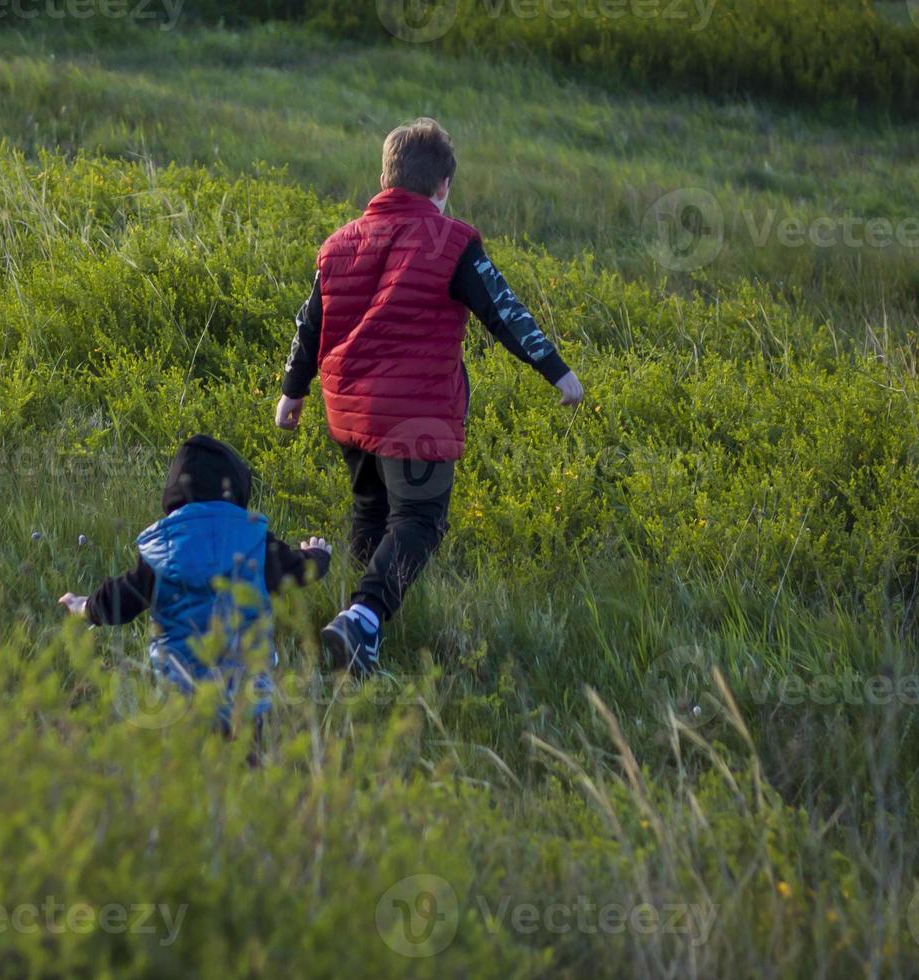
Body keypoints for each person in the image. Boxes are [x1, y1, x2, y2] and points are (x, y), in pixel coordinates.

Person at [274, 117, 584, 676]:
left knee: (372, 515)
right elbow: (502, 310)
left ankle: (357, 637)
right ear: (442, 185)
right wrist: (557, 371)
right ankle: (364, 618)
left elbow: (309, 322)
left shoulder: (339, 241)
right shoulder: (453, 240)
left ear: (386, 176)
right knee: (418, 520)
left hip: (348, 409)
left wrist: (292, 392)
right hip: (416, 415)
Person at [59, 435, 332, 742]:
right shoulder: (254, 540)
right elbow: (298, 569)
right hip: (246, 694)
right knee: (248, 767)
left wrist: (85, 607)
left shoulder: (162, 548)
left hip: (182, 694)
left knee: (191, 772)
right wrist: (318, 556)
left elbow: (124, 596)